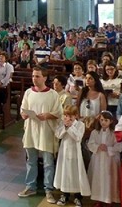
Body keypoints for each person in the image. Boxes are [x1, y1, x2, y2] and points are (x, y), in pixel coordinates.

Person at [18, 67, 62, 204]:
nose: (34, 79)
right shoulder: (28, 92)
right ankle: (31, 186)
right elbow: (22, 109)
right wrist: (23, 114)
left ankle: (48, 189)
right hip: (32, 129)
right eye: (33, 76)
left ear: (44, 78)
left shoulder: (53, 94)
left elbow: (59, 113)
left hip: (46, 130)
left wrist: (48, 115)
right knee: (31, 160)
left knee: (48, 162)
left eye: (37, 76)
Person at [54, 105, 90, 207]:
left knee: (76, 173)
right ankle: (64, 195)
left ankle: (78, 197)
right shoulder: (63, 124)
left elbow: (77, 137)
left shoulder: (80, 125)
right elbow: (58, 135)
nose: (68, 118)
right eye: (65, 115)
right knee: (65, 173)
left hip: (76, 154)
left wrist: (70, 127)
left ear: (75, 116)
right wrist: (65, 126)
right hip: (64, 153)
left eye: (70, 116)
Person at [87, 110, 121, 207]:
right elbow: (90, 144)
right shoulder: (95, 132)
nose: (103, 122)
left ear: (110, 121)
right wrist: (97, 147)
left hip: (110, 161)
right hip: (98, 160)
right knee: (98, 179)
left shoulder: (114, 133)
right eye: (101, 120)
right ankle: (99, 199)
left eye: (106, 120)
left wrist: (108, 148)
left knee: (109, 179)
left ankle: (109, 199)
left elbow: (119, 147)